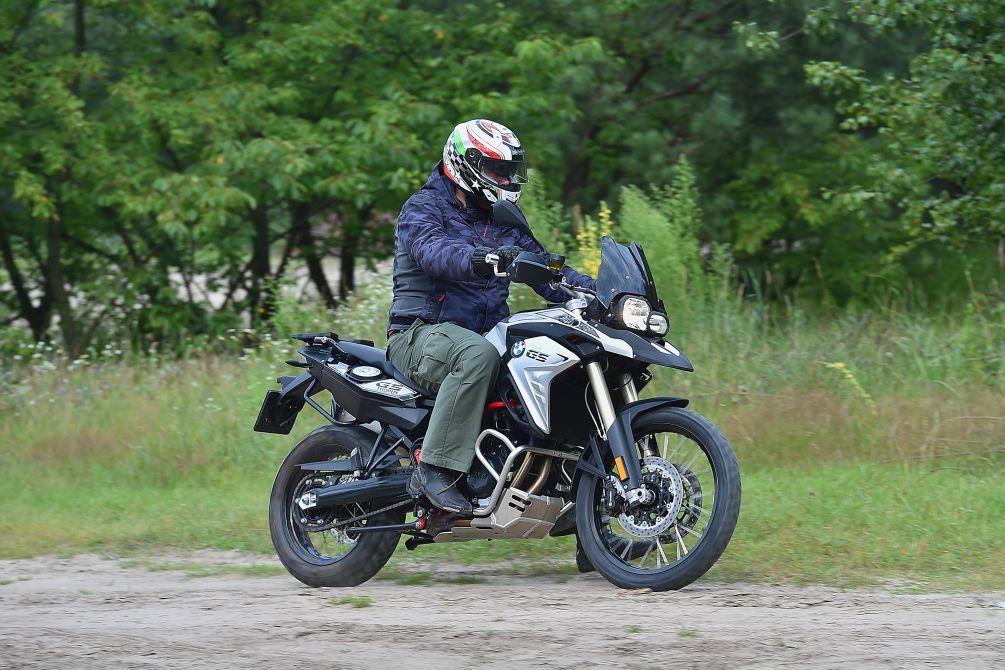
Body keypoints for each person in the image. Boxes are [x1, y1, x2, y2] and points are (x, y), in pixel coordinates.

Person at [386, 119, 595, 515]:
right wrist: (482, 259)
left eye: (508, 170)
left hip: (485, 334)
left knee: (558, 355)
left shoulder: (502, 218)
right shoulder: (423, 207)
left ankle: (575, 486)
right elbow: (435, 252)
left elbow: (546, 270)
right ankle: (435, 470)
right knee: (477, 355)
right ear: (465, 163)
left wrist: (600, 293)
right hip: (420, 333)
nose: (505, 179)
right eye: (497, 169)